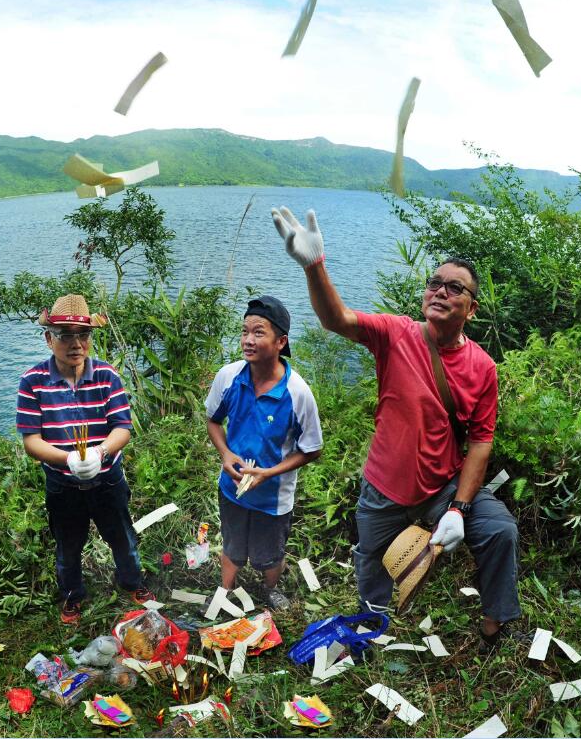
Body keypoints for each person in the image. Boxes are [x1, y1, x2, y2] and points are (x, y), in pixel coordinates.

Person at [271, 207, 522, 647]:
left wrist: (460, 509)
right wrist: (314, 267)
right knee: (370, 562)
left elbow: (481, 443)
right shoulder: (396, 333)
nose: (440, 291)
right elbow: (337, 319)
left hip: (443, 486)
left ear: (472, 308)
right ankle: (372, 628)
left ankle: (495, 623)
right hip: (383, 488)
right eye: (434, 283)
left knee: (501, 530)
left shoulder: (482, 367)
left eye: (455, 287)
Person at [16, 293, 154, 625]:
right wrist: (68, 460)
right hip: (62, 484)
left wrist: (100, 452)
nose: (75, 343)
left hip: (107, 478)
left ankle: (133, 583)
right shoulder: (32, 382)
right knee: (67, 545)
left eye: (83, 335)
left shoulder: (108, 376)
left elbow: (123, 427)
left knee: (122, 534)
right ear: (49, 338)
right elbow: (32, 441)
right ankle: (72, 597)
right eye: (65, 335)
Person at [205, 296, 323, 610]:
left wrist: (268, 473)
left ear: (281, 341)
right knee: (232, 543)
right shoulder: (229, 377)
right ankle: (226, 590)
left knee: (269, 552)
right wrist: (225, 454)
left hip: (274, 495)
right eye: (245, 331)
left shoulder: (296, 392)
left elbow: (311, 449)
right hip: (232, 487)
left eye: (258, 333)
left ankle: (270, 590)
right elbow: (213, 421)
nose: (247, 340)